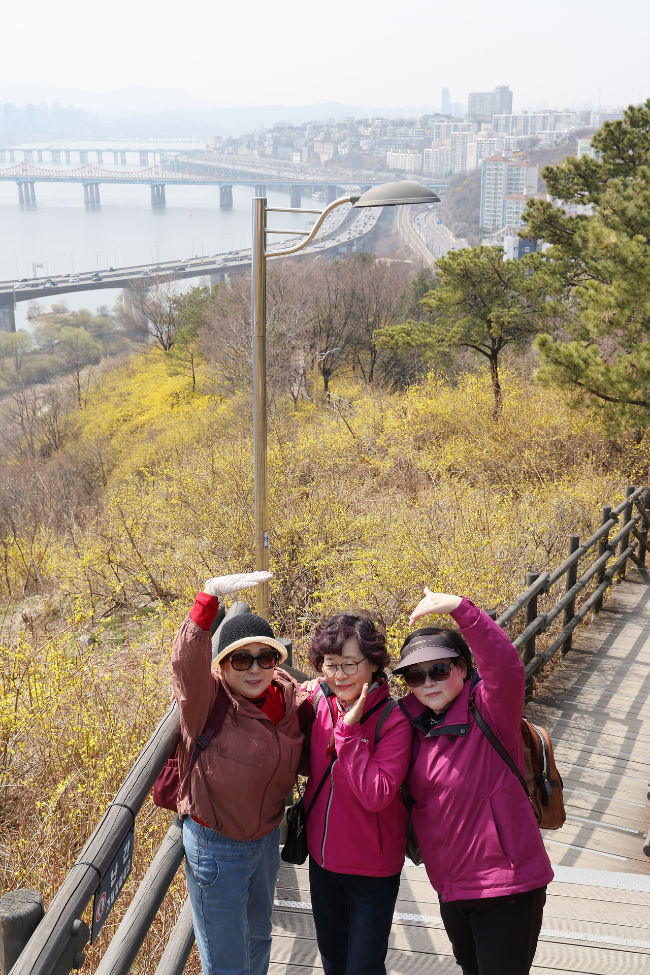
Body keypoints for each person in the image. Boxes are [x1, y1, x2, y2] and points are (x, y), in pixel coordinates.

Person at [393, 587, 554, 975]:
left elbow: (506, 667)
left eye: (440, 669)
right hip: (451, 886)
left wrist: (460, 610)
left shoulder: (490, 710)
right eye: (415, 675)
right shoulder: (407, 726)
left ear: (463, 668)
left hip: (508, 887)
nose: (428, 681)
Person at [171, 571, 307, 975]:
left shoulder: (285, 696)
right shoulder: (207, 700)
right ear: (222, 665)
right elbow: (184, 662)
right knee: (227, 959)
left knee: (259, 936)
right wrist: (207, 600)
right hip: (217, 847)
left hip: (265, 841)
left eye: (264, 657)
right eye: (240, 659)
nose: (254, 669)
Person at [303, 612, 414, 975]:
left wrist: (349, 734)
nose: (339, 675)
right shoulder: (319, 701)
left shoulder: (393, 720)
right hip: (322, 864)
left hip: (372, 870)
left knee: (364, 967)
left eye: (350, 664)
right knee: (333, 962)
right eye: (330, 665)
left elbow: (378, 794)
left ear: (373, 663)